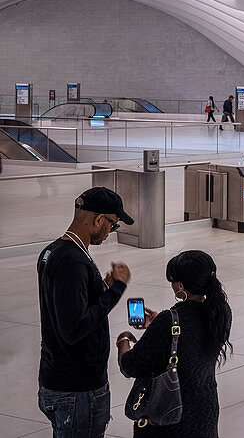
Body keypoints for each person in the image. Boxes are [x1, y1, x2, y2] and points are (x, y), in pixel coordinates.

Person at [38, 187, 133, 438]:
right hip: (77, 389)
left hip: (58, 377)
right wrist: (117, 289)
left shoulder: (53, 252)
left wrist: (101, 290)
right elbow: (74, 328)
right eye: (112, 226)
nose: (110, 233)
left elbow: (67, 308)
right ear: (99, 219)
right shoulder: (73, 260)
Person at [115, 250, 232, 438]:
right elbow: (191, 340)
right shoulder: (221, 313)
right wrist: (158, 326)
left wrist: (123, 341)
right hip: (205, 411)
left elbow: (130, 366)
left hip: (170, 416)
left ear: (180, 286)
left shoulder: (168, 321)